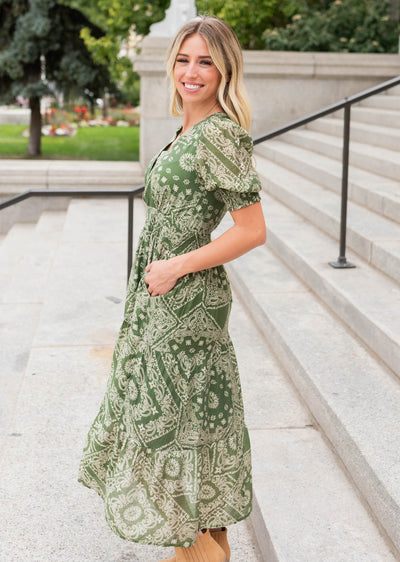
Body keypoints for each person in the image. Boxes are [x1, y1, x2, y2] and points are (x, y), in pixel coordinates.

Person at [78, 14, 266, 562]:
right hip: (160, 296)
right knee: (171, 419)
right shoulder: (186, 129)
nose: (191, 71)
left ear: (224, 68)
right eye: (184, 59)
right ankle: (194, 548)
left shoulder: (221, 135)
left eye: (205, 61)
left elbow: (253, 230)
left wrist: (177, 266)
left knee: (176, 424)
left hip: (187, 302)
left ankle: (203, 550)